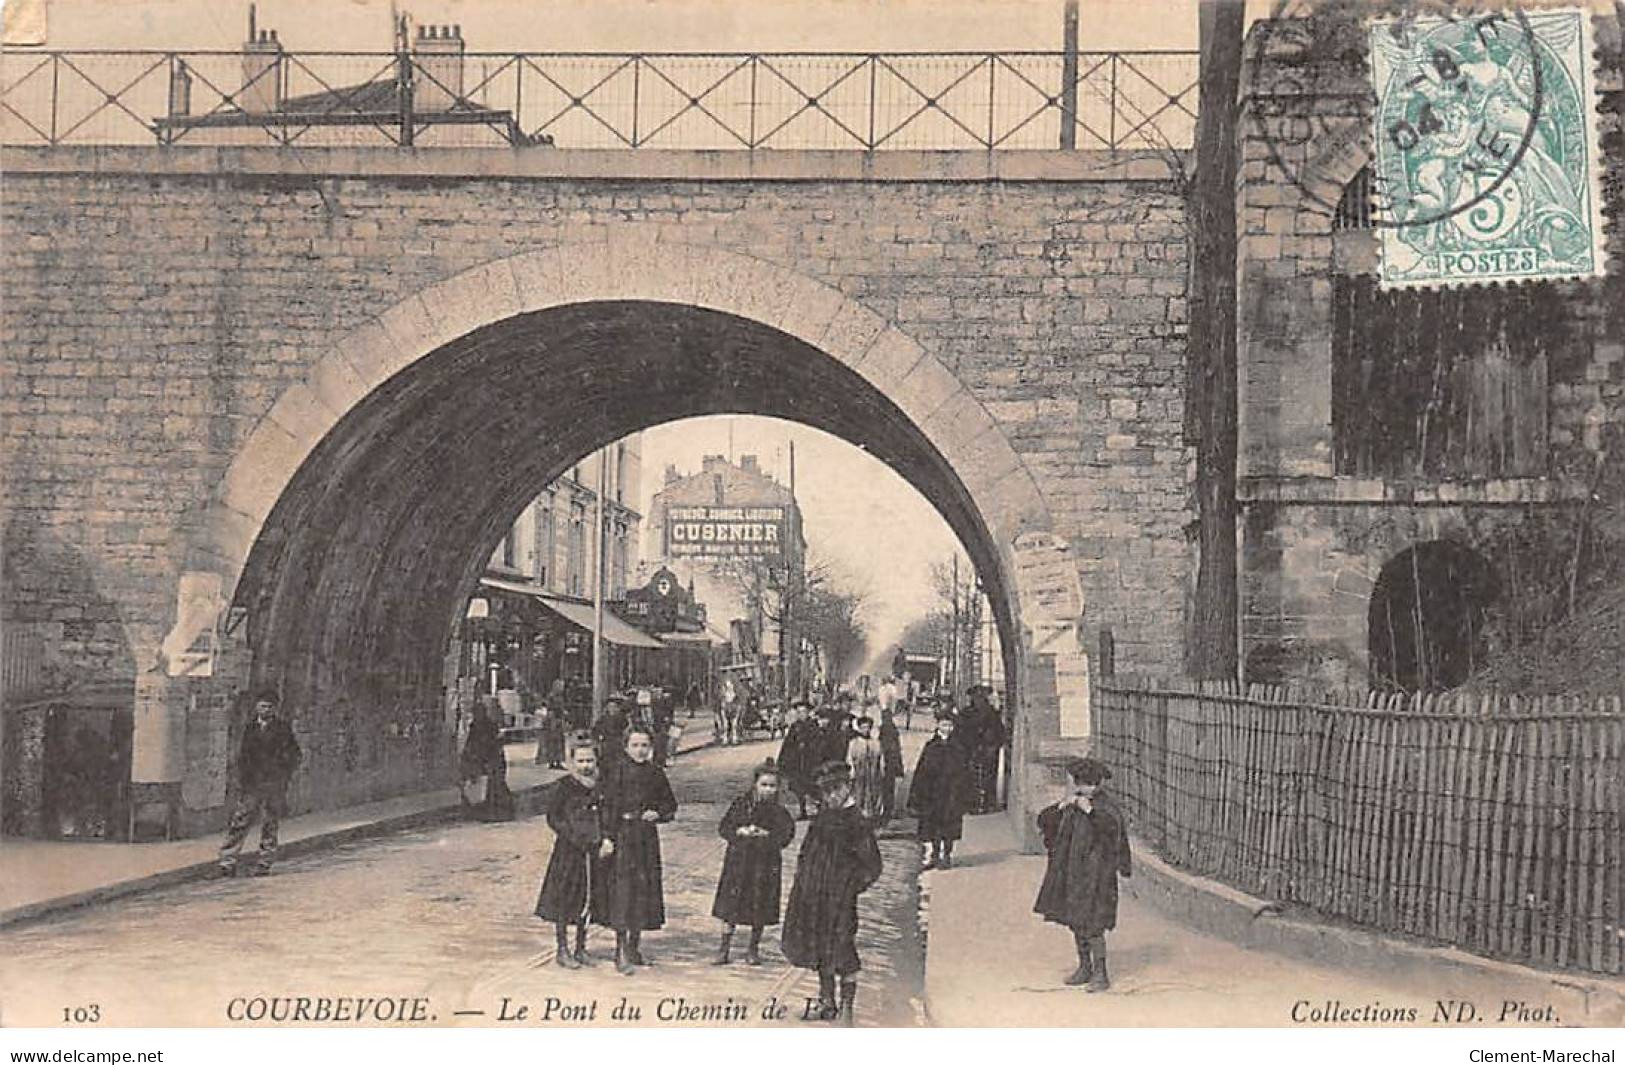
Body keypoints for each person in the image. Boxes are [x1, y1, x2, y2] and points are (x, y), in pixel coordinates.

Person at [782, 760, 883, 1026]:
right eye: (825, 792)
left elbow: (872, 866)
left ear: (847, 788)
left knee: (842, 949)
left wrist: (848, 888)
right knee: (819, 949)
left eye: (835, 789)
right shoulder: (823, 819)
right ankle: (827, 1003)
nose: (830, 796)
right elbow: (806, 853)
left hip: (839, 902)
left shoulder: (857, 823)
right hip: (813, 897)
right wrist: (803, 881)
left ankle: (847, 1009)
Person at [1034, 757, 1131, 991]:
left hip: (1097, 877)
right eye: (1078, 783)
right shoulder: (1073, 804)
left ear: (1096, 784)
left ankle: (1101, 973)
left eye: (1085, 784)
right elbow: (1044, 821)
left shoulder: (1104, 807)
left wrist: (1090, 812)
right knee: (1076, 920)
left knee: (1093, 923)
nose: (1079, 788)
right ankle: (1084, 967)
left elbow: (1112, 832)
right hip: (1073, 874)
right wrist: (1061, 806)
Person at [595, 726, 678, 975]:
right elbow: (606, 807)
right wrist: (607, 838)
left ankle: (634, 946)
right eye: (635, 745)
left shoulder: (655, 772)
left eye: (645, 745)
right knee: (623, 892)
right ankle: (619, 950)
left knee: (643, 890)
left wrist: (659, 813)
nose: (640, 750)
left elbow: (669, 803)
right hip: (622, 836)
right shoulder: (616, 772)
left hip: (646, 838)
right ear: (626, 747)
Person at [710, 760, 797, 966]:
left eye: (772, 786)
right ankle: (724, 948)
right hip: (739, 862)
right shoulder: (741, 804)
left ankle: (753, 948)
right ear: (755, 784)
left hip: (764, 864)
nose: (767, 790)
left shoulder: (779, 812)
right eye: (763, 784)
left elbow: (786, 835)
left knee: (760, 905)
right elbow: (724, 827)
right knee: (731, 906)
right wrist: (739, 831)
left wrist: (767, 835)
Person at [534, 735, 610, 968]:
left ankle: (581, 947)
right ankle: (562, 949)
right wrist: (573, 835)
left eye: (590, 760)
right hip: (569, 851)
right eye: (581, 761)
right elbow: (553, 817)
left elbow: (607, 814)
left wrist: (605, 838)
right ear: (572, 762)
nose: (586, 765)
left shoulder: (600, 786)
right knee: (565, 898)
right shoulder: (565, 786)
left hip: (592, 850)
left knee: (587, 899)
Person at [218, 690, 302, 877]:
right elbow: (243, 756)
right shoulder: (250, 729)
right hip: (252, 783)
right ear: (256, 707)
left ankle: (265, 861)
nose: (265, 710)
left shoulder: (282, 728)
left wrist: (283, 774)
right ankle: (228, 860)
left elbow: (295, 755)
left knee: (270, 823)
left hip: (273, 784)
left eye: (270, 707)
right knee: (240, 820)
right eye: (262, 706)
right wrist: (243, 778)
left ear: (275, 709)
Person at [907, 712, 973, 869]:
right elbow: (922, 770)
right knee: (934, 825)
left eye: (950, 725)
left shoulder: (959, 747)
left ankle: (947, 855)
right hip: (933, 793)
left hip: (952, 792)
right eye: (944, 725)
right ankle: (935, 855)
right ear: (937, 726)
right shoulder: (931, 746)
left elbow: (965, 772)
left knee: (949, 825)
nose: (947, 728)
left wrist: (965, 793)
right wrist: (917, 794)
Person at [461, 697, 513, 821]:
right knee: (490, 787)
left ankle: (495, 813)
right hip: (486, 759)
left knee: (493, 787)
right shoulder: (481, 726)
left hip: (489, 759)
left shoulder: (486, 726)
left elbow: (485, 743)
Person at [777, 701, 822, 819]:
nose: (801, 714)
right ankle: (802, 810)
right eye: (799, 712)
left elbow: (819, 743)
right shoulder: (794, 727)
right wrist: (782, 760)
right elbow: (787, 744)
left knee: (813, 786)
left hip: (810, 761)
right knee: (798, 787)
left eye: (803, 712)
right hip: (797, 762)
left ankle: (819, 808)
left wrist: (809, 747)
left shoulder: (814, 726)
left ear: (808, 712)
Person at [846, 714, 889, 826]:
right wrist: (852, 772)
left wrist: (882, 770)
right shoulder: (854, 743)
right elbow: (849, 758)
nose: (866, 730)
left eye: (868, 727)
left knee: (874, 797)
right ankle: (857, 820)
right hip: (859, 775)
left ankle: (872, 820)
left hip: (873, 775)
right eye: (863, 727)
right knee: (859, 796)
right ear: (859, 728)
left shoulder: (876, 743)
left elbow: (881, 758)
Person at [877, 707, 905, 822]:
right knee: (888, 789)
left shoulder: (886, 730)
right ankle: (888, 810)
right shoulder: (892, 730)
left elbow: (892, 749)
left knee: (886, 789)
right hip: (891, 764)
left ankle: (887, 812)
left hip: (889, 764)